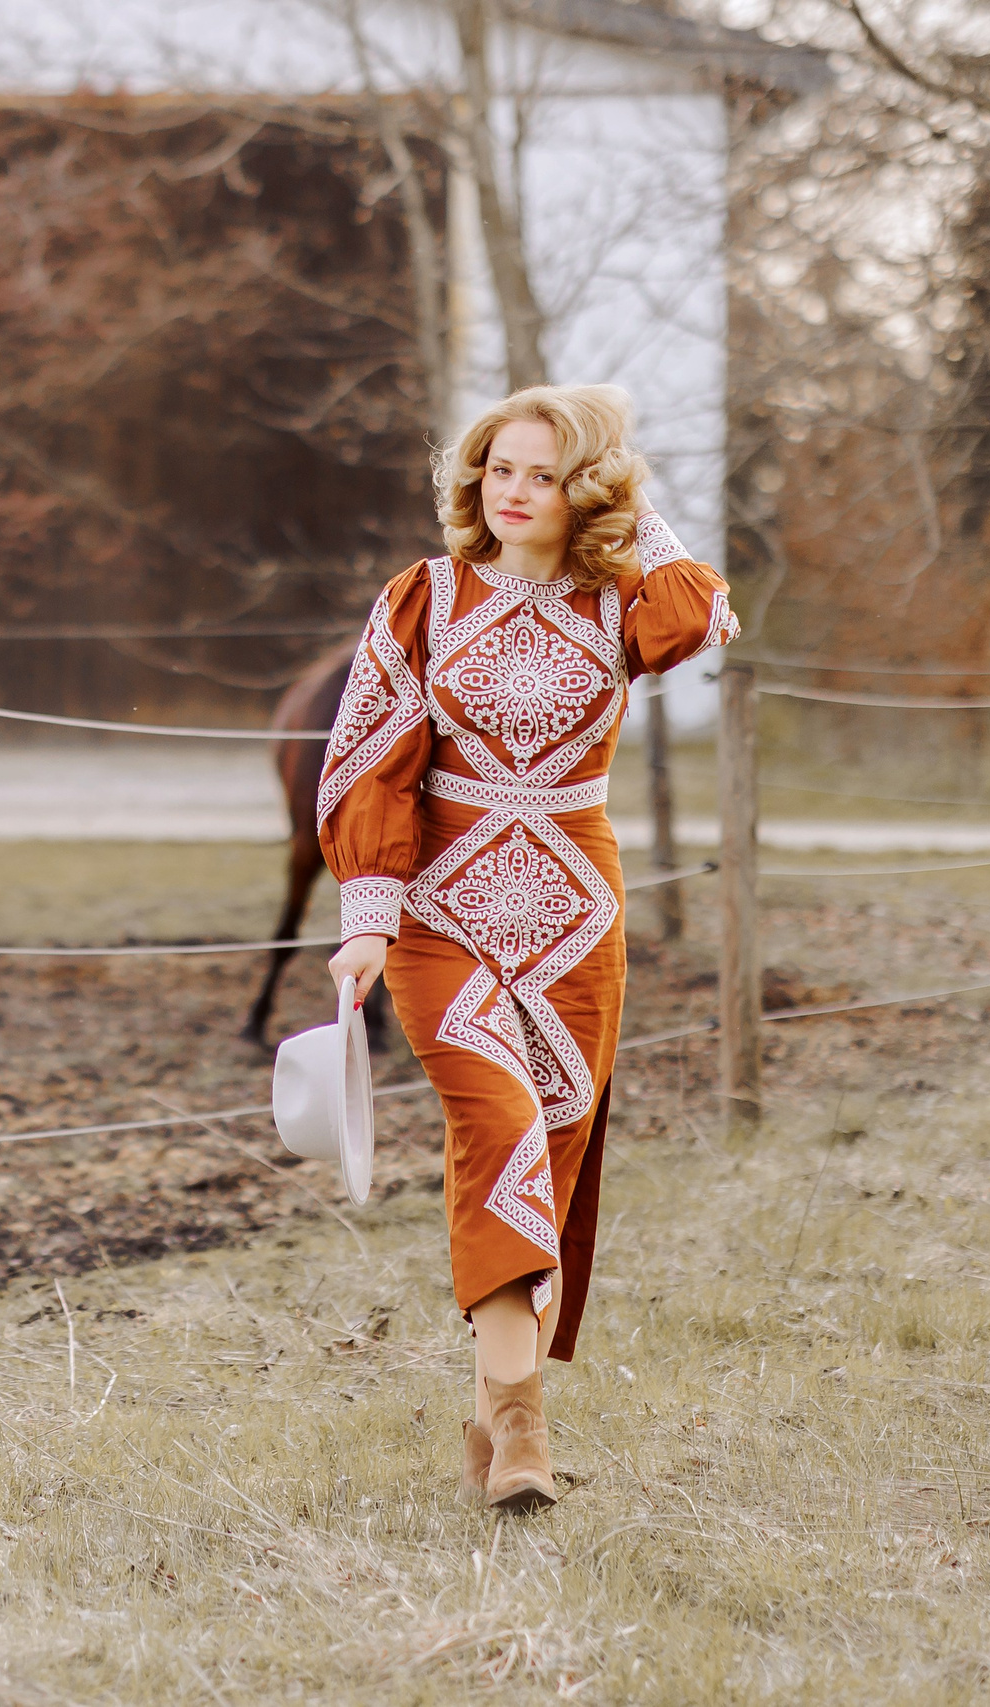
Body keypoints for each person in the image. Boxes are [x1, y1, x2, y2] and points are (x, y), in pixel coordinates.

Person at [319, 384, 736, 1512]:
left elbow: (699, 613)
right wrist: (365, 924)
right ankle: (521, 1432)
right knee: (495, 1126)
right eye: (497, 468)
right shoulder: (424, 598)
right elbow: (369, 765)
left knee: (543, 1154)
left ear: (584, 489)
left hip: (572, 919)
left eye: (542, 474)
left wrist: (633, 505)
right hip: (439, 914)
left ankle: (493, 1422)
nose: (511, 491)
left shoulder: (619, 606)